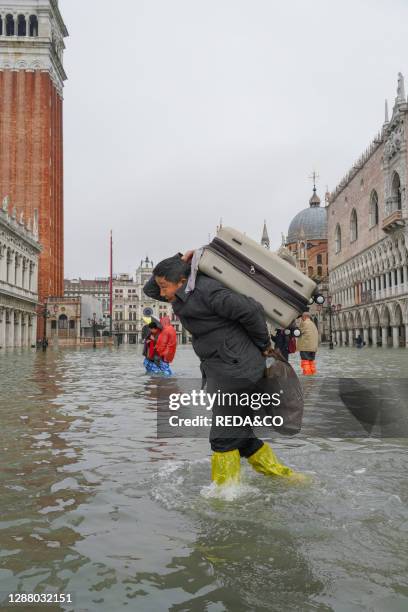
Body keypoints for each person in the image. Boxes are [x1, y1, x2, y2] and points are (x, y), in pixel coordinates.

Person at [143, 252, 301, 487]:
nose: (163, 294)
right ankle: (288, 479)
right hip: (225, 370)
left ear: (182, 282)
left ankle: (225, 496)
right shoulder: (182, 295)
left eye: (165, 286)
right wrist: (180, 260)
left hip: (238, 371)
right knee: (243, 437)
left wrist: (264, 346)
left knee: (222, 439)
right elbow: (150, 290)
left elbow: (252, 311)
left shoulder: (208, 291)